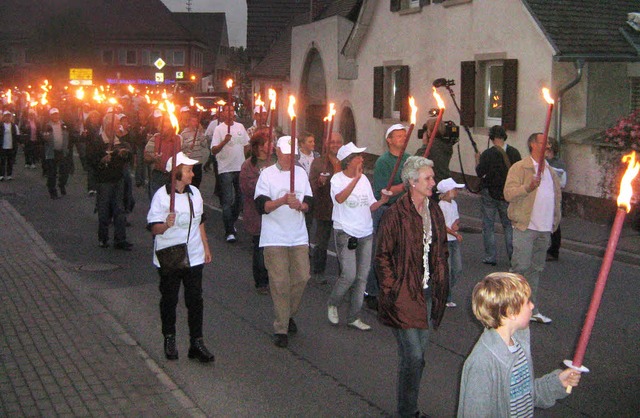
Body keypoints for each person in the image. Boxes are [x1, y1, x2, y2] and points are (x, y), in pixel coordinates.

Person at [376, 156, 449, 418]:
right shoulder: (396, 215)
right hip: (404, 295)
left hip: (428, 295)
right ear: (412, 182)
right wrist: (392, 290)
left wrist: (443, 284)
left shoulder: (434, 211)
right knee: (414, 357)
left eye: (432, 177)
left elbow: (441, 251)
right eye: (428, 178)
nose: (433, 182)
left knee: (417, 358)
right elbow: (382, 256)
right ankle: (407, 412)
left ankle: (410, 407)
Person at [457, 272, 581, 417]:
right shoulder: (482, 363)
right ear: (511, 313)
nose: (533, 305)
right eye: (528, 302)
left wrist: (557, 382)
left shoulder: (518, 346)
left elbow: (526, 395)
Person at [147, 152, 214, 363]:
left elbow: (200, 221)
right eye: (188, 170)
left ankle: (196, 342)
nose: (192, 174)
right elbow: (153, 229)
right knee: (170, 299)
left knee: (195, 300)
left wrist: (205, 246)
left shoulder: (195, 193)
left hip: (193, 255)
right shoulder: (162, 196)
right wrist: (166, 224)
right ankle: (169, 338)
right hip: (170, 256)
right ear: (176, 173)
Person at [254, 136, 313, 348]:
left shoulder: (301, 173)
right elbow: (261, 206)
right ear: (278, 151)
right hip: (274, 235)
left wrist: (300, 205)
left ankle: (288, 313)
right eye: (285, 152)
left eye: (292, 153)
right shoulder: (267, 175)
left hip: (297, 234)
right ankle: (281, 326)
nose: (289, 157)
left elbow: (309, 203)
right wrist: (281, 201)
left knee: (302, 276)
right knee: (279, 281)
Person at [327, 142, 389, 331]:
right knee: (349, 275)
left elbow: (370, 206)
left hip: (365, 233)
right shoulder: (337, 179)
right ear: (348, 161)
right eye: (358, 157)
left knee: (362, 277)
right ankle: (333, 303)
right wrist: (354, 180)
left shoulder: (364, 180)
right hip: (345, 232)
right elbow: (339, 199)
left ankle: (354, 316)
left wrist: (383, 201)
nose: (362, 159)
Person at [504, 133, 561, 324]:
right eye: (543, 141)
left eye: (549, 142)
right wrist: (527, 187)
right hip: (525, 226)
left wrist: (555, 220)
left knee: (536, 269)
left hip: (544, 228)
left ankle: (531, 308)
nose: (548, 144)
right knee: (520, 268)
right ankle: (511, 308)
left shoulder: (551, 172)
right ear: (532, 144)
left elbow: (556, 198)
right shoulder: (520, 168)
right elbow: (508, 194)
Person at [365, 124, 411, 310]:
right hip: (387, 210)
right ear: (389, 140)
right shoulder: (383, 162)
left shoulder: (409, 160)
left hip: (405, 210)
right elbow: (384, 191)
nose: (403, 138)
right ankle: (373, 291)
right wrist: (405, 185)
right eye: (398, 136)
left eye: (404, 135)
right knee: (382, 253)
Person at [475, 125, 521, 266]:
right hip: (507, 194)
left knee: (488, 225)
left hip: (490, 192)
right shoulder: (514, 153)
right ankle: (513, 257)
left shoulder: (488, 154)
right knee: (508, 226)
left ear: (492, 137)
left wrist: (478, 160)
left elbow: (480, 172)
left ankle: (490, 256)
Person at [86, 113, 133, 250]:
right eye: (115, 124)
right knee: (104, 209)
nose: (117, 126)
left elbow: (129, 155)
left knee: (119, 209)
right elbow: (91, 160)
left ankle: (120, 239)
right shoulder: (98, 141)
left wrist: (125, 154)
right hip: (104, 181)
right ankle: (103, 237)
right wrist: (101, 161)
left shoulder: (119, 141)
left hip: (117, 179)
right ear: (107, 125)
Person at [239, 129, 273, 294]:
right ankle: (261, 281)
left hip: (273, 211)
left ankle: (272, 277)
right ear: (259, 147)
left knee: (271, 248)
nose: (271, 146)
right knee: (260, 247)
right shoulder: (248, 166)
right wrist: (264, 182)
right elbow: (247, 188)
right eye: (268, 143)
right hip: (256, 212)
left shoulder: (273, 163)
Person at [211, 105, 250, 243]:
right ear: (222, 114)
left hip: (239, 168)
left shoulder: (240, 127)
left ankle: (231, 222)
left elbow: (246, 144)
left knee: (240, 200)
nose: (230, 113)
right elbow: (214, 150)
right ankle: (229, 231)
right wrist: (224, 142)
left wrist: (242, 159)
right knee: (227, 200)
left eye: (232, 110)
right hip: (225, 169)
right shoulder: (219, 129)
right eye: (227, 110)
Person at [308, 132, 343, 284]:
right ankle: (318, 271)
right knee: (322, 241)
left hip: (343, 209)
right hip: (324, 207)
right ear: (326, 144)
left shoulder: (346, 161)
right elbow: (311, 185)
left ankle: (344, 275)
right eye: (332, 142)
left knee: (343, 243)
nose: (335, 145)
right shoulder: (318, 162)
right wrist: (320, 182)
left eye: (338, 142)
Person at [437, 177, 465, 308]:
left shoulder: (454, 204)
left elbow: (456, 219)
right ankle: (446, 296)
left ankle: (444, 291)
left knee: (457, 269)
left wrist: (456, 224)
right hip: (445, 241)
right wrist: (454, 233)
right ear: (448, 191)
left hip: (453, 241)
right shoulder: (441, 206)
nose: (457, 191)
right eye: (454, 189)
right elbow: (441, 226)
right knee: (447, 270)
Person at [415, 116, 455, 185]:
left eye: (427, 130)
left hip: (434, 182)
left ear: (430, 132)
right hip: (444, 179)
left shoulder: (431, 146)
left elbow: (417, 161)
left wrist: (425, 144)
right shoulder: (446, 144)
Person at [545, 138, 567, 261]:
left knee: (554, 223)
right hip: (546, 196)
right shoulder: (543, 162)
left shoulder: (557, 164)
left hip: (553, 196)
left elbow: (563, 183)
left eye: (547, 148)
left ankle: (554, 250)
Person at [43, 108, 71, 199]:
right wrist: (44, 138)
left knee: (64, 171)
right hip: (51, 152)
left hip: (62, 151)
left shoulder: (63, 125)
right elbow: (42, 137)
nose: (55, 116)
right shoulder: (47, 126)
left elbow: (68, 136)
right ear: (50, 116)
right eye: (53, 114)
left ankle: (61, 184)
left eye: (56, 114)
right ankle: (52, 191)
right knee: (52, 173)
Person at [180, 112, 209, 188]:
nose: (195, 123)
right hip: (189, 160)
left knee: (197, 181)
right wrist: (188, 146)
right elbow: (181, 147)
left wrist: (201, 133)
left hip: (198, 161)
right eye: (193, 121)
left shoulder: (199, 132)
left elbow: (204, 144)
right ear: (189, 122)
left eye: (196, 121)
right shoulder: (184, 134)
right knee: (189, 182)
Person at [1, 110, 20, 180]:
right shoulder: (1, 125)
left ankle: (9, 174)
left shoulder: (14, 126)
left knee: (10, 161)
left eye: (9, 116)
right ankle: (1, 174)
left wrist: (18, 143)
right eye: (6, 116)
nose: (7, 118)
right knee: (2, 160)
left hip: (11, 146)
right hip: (2, 146)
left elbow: (17, 136)